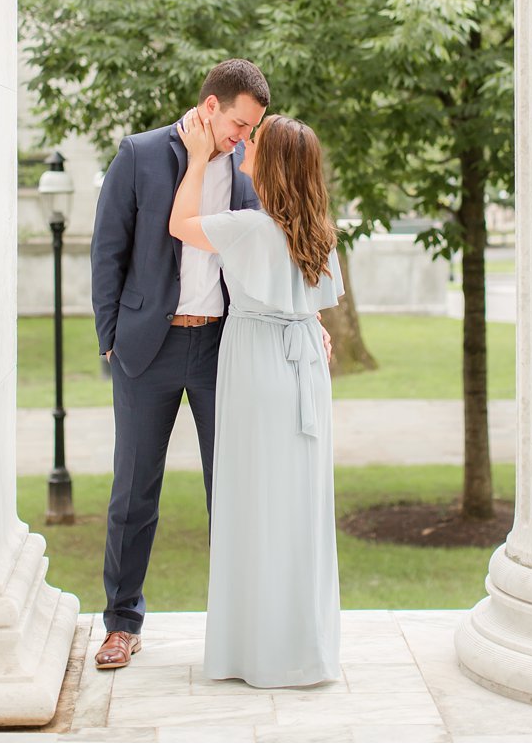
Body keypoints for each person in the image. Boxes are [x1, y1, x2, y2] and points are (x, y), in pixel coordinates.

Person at [88, 59, 270, 669]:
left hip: (223, 346)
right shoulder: (139, 154)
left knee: (233, 489)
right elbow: (107, 248)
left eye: (251, 130)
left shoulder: (244, 168)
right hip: (148, 347)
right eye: (239, 124)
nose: (243, 138)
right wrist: (110, 336)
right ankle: (121, 621)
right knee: (134, 491)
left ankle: (240, 623)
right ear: (212, 106)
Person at [170, 111, 344, 687]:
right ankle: (302, 646)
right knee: (297, 507)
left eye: (257, 141)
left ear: (270, 164)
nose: (246, 143)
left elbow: (181, 224)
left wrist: (197, 160)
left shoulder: (249, 226)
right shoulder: (316, 227)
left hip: (259, 366)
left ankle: (255, 651)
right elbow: (306, 298)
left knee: (253, 505)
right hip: (304, 368)